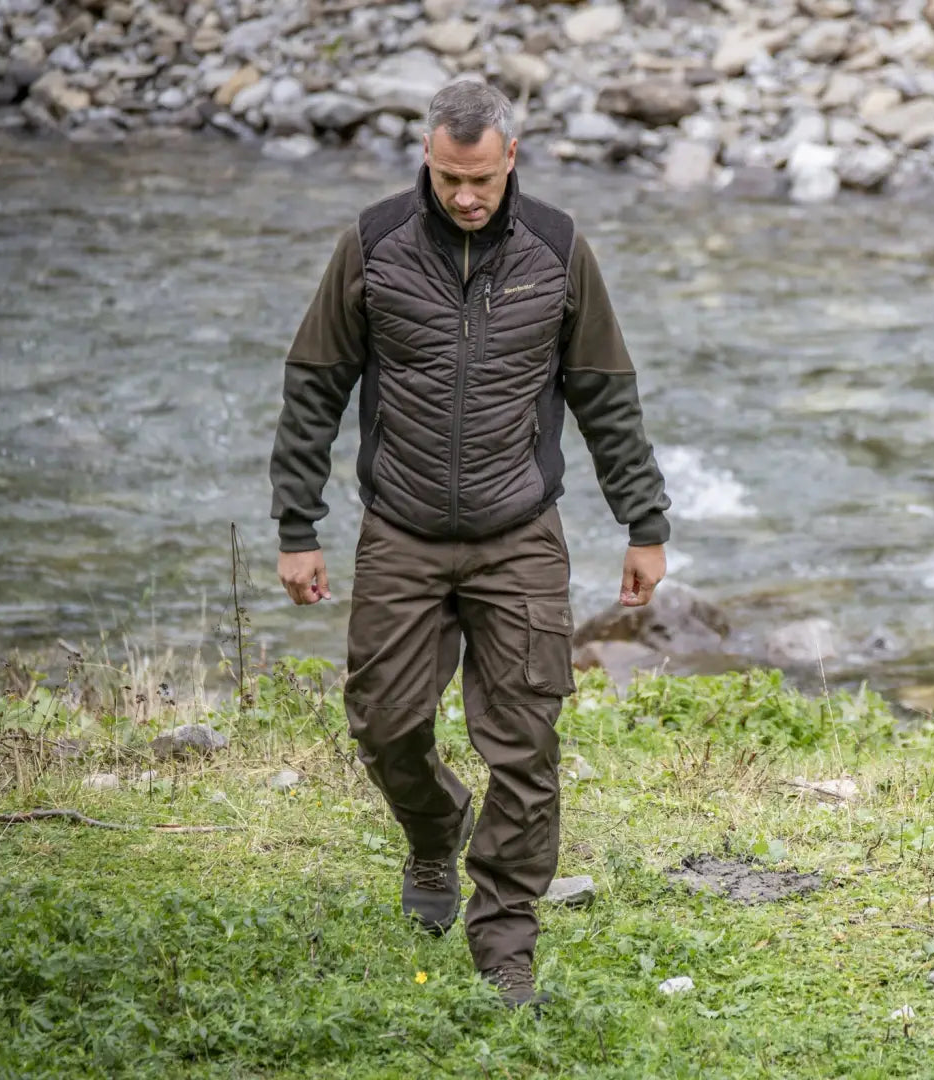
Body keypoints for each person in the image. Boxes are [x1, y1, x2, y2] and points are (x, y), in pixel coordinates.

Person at [269, 80, 670, 1011]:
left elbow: (607, 395)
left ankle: (505, 943)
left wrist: (644, 523)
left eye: (481, 178)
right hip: (401, 531)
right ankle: (434, 828)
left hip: (518, 535)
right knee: (384, 723)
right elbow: (314, 386)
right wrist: (297, 526)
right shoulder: (371, 245)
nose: (465, 197)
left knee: (524, 746)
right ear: (426, 155)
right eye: (449, 177)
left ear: (511, 157)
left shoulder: (559, 251)